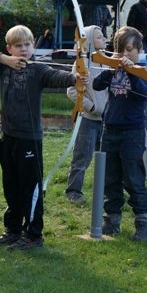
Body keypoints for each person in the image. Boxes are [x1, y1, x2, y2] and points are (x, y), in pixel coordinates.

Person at [0, 25, 84, 250]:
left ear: (33, 47)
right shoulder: (4, 67)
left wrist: (76, 77)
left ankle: (33, 233)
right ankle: (13, 229)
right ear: (9, 48)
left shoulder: (38, 70)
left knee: (30, 186)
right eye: (18, 46)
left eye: (27, 45)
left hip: (29, 137)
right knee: (11, 184)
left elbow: (58, 77)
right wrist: (6, 60)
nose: (23, 49)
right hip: (9, 134)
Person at [93, 26, 147, 241]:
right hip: (110, 129)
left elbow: (144, 94)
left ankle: (142, 220)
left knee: (133, 177)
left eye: (130, 50)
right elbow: (96, 84)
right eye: (121, 50)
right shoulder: (113, 70)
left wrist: (132, 71)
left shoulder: (144, 72)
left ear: (139, 50)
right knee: (110, 177)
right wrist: (111, 69)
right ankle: (112, 218)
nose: (126, 54)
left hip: (132, 132)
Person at [64, 25, 108, 204]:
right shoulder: (81, 63)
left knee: (105, 157)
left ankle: (105, 191)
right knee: (82, 156)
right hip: (88, 119)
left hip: (105, 119)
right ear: (88, 40)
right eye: (99, 36)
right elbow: (72, 91)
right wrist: (90, 107)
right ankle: (73, 191)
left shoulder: (107, 61)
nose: (104, 38)